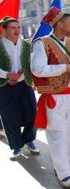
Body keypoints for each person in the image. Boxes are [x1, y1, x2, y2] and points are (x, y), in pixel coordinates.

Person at [31, 7, 70, 187]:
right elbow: (38, 69)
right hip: (55, 96)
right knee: (58, 134)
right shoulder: (41, 43)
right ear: (60, 24)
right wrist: (66, 68)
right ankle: (64, 172)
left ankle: (61, 166)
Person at [0, 17, 38, 160]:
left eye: (18, 27)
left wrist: (27, 71)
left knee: (32, 114)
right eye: (12, 28)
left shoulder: (27, 44)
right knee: (9, 117)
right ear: (5, 30)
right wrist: (7, 75)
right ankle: (16, 145)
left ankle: (29, 140)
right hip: (4, 86)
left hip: (25, 84)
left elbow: (33, 63)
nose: (17, 30)